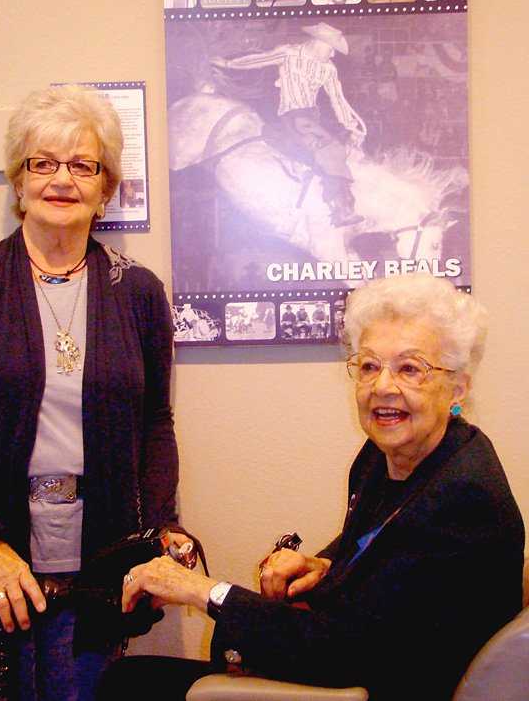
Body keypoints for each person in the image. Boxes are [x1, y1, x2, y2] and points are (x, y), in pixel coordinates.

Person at [96, 272, 525, 701]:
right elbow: (380, 555)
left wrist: (205, 592)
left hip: (384, 685)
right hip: (353, 666)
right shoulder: (386, 457)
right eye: (370, 366)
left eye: (410, 368)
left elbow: (353, 648)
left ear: (458, 386)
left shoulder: (465, 498)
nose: (382, 387)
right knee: (130, 678)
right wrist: (321, 567)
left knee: (130, 685)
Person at [0, 83, 187, 701]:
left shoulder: (139, 292)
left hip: (98, 559)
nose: (61, 179)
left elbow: (156, 422)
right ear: (18, 182)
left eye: (83, 165)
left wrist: (160, 530)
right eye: (42, 163)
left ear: (105, 187)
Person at [210, 22, 367, 227]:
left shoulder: (328, 69)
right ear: (319, 43)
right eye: (330, 49)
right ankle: (340, 210)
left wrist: (350, 124)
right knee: (331, 150)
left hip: (312, 117)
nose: (332, 54)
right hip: (295, 118)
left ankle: (338, 205)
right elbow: (258, 60)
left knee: (336, 152)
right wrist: (229, 64)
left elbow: (338, 99)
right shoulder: (288, 54)